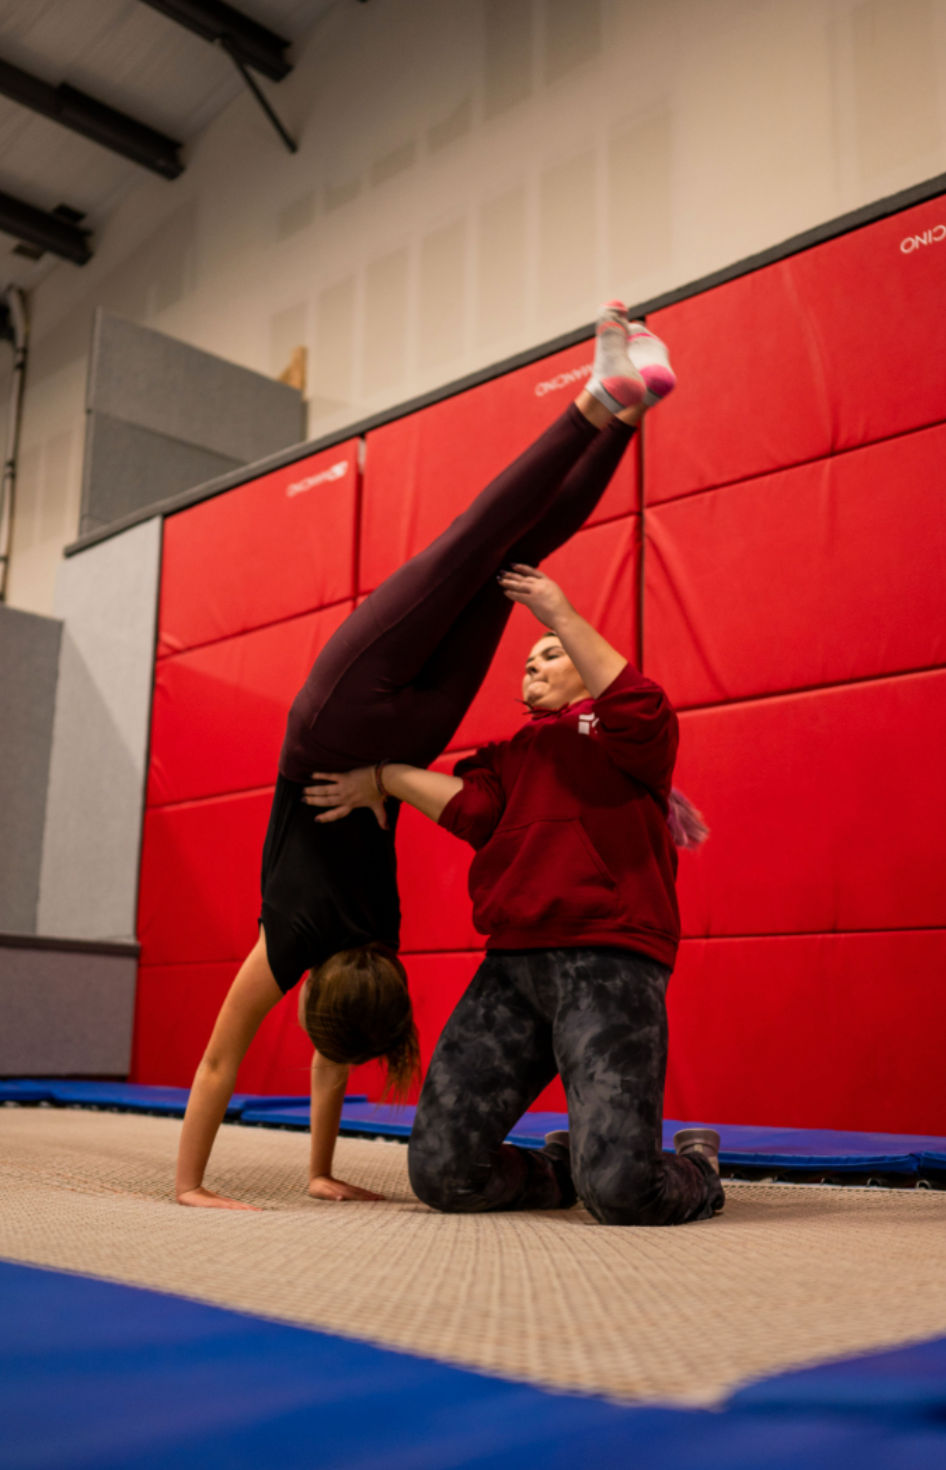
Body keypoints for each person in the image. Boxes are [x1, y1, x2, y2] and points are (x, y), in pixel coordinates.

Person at [174, 301, 654, 1211]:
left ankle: (626, 415)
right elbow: (217, 1062)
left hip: (411, 733)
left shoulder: (379, 947)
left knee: (505, 555)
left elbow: (335, 1053)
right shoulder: (296, 943)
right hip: (336, 721)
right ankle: (599, 401)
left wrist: (319, 1169)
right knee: (471, 545)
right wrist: (192, 1185)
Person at [305, 383, 724, 1231]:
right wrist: (380, 777)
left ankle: (697, 1165)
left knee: (627, 1195)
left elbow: (643, 706)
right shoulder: (512, 755)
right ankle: (563, 1169)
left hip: (609, 962)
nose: (531, 665)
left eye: (549, 657)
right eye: (527, 658)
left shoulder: (625, 736)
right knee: (442, 1173)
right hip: (514, 965)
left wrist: (558, 611)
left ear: (581, 663)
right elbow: (468, 811)